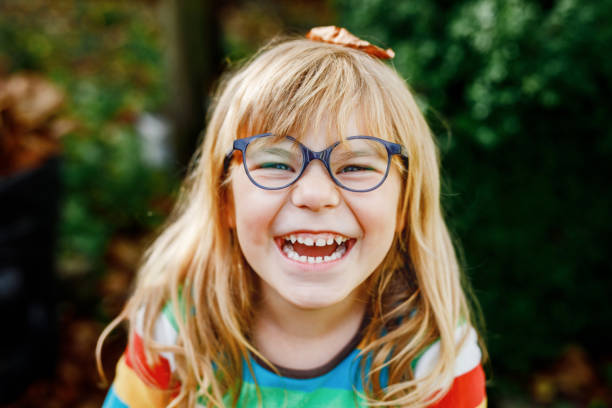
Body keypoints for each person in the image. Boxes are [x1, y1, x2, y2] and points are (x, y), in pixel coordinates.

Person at [98, 26, 487, 408]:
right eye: (275, 163)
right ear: (225, 198)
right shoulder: (175, 333)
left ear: (404, 204)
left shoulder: (435, 362)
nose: (315, 195)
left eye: (355, 167)